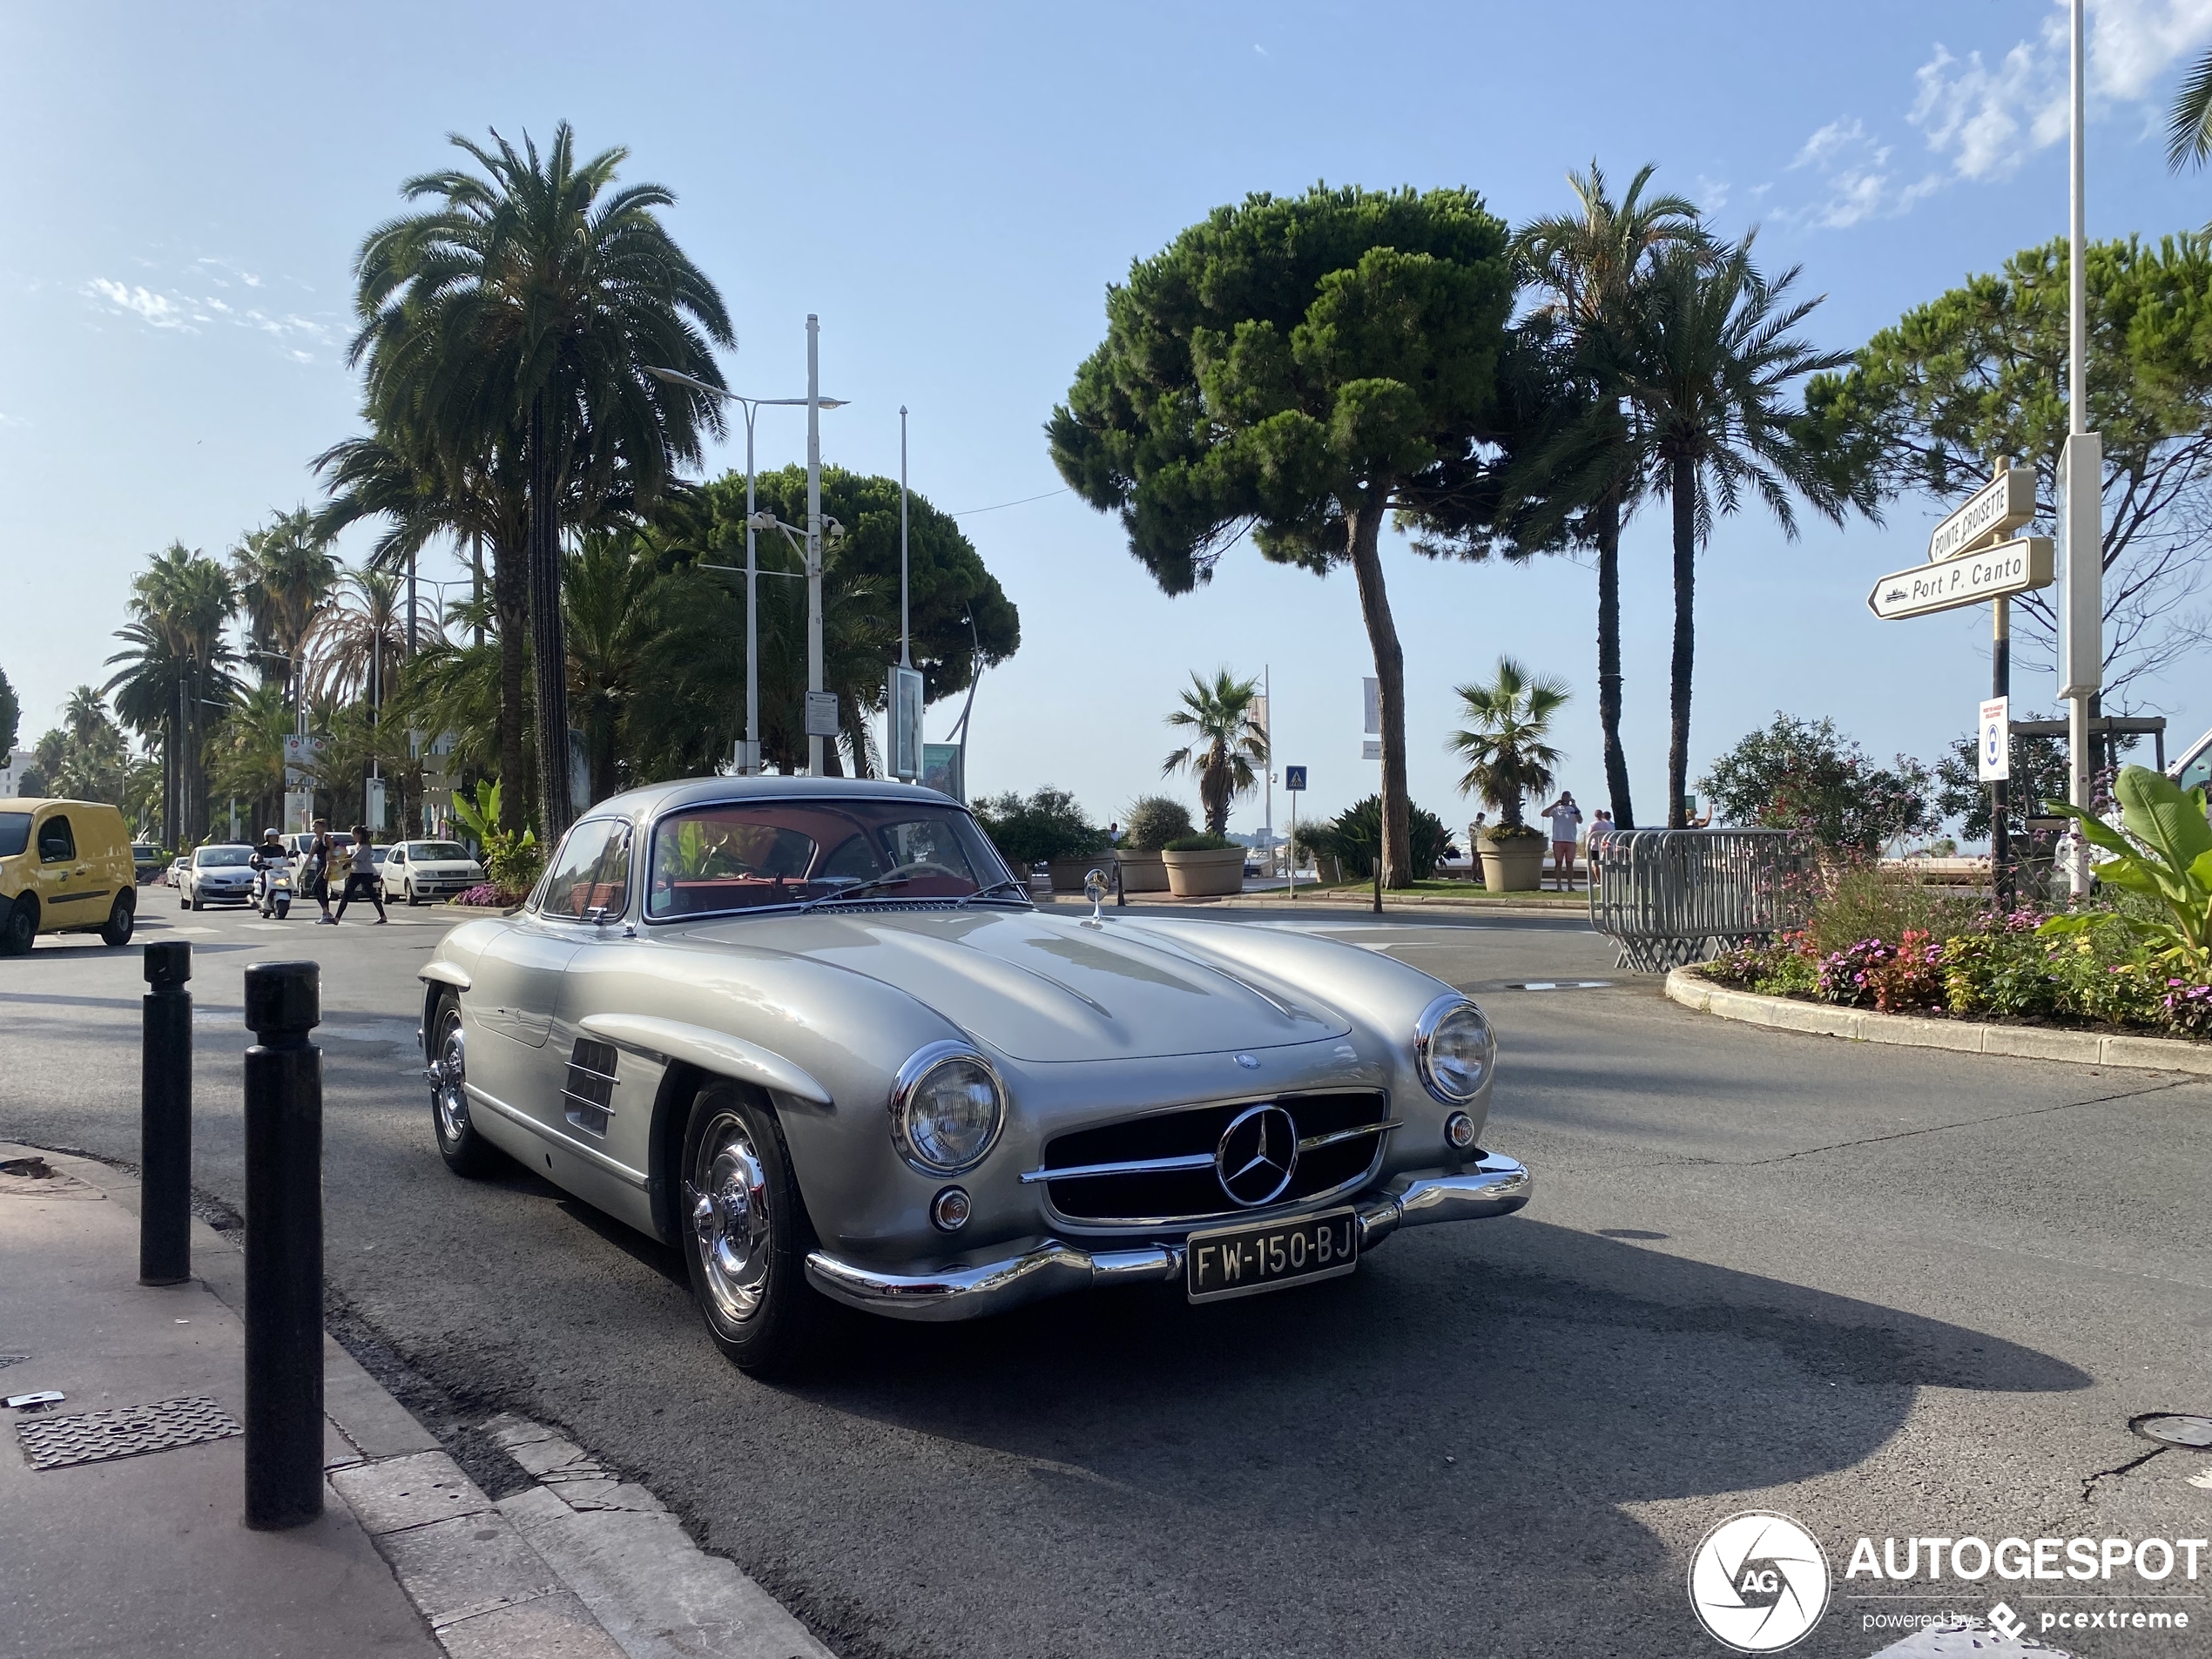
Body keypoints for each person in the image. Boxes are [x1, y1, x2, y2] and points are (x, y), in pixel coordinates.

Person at [333, 823, 388, 923]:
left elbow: (354, 859)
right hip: (355, 873)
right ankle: (337, 918)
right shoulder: (357, 845)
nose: (352, 836)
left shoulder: (365, 847)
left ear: (359, 834)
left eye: (353, 834)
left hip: (365, 874)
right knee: (346, 895)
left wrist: (337, 862)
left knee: (372, 895)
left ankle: (383, 916)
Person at [1541, 792, 1583, 891]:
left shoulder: (1574, 810)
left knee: (1570, 863)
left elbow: (1580, 820)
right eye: (1564, 797)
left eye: (1567, 797)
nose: (1566, 799)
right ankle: (1559, 886)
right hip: (1558, 839)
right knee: (1558, 863)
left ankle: (1570, 886)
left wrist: (1575, 806)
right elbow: (1544, 814)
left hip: (1571, 840)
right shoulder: (1556, 810)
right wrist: (1555, 805)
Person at [305, 819, 336, 923]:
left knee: (317, 888)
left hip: (326, 865)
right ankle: (326, 913)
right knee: (319, 891)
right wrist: (303, 871)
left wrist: (328, 868)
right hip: (318, 866)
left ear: (323, 828)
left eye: (317, 827)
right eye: (314, 827)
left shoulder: (327, 839)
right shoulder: (315, 840)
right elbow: (310, 855)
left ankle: (326, 913)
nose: (315, 829)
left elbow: (331, 854)